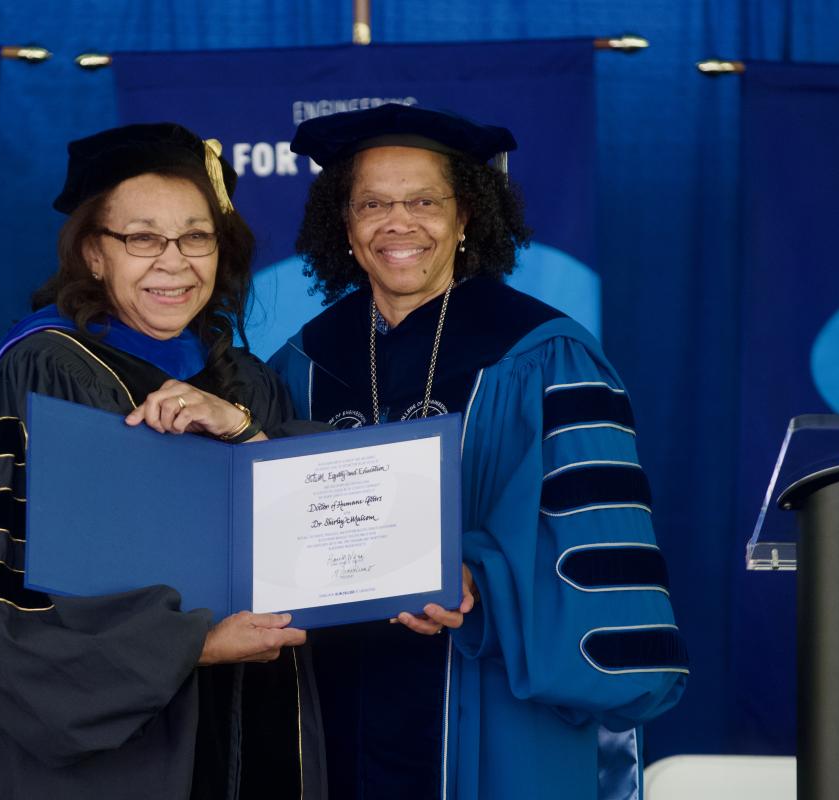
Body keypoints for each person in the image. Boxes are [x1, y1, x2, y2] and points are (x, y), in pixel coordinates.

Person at [268, 104, 688, 799]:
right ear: (344, 225)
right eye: (372, 202)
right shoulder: (301, 363)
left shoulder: (546, 354)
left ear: (466, 218)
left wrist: (481, 583)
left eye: (424, 201)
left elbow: (591, 542)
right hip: (334, 704)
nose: (397, 223)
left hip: (488, 700)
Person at [0, 123, 326, 799]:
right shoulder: (43, 372)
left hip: (250, 723)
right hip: (106, 759)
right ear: (93, 255)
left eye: (196, 236)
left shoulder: (247, 383)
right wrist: (192, 645)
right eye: (141, 238)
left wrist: (246, 432)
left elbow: (313, 542)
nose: (174, 261)